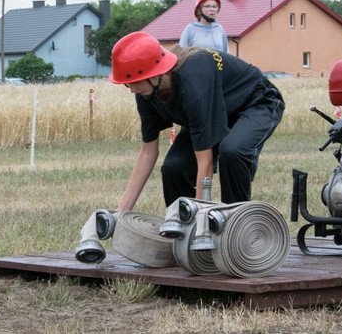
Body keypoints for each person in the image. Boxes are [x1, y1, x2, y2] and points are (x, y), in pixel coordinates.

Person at [110, 30, 284, 208]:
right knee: (174, 167)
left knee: (232, 151)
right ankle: (181, 224)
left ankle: (236, 222)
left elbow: (205, 161)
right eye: (127, 84)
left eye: (135, 82)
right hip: (215, 109)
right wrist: (121, 212)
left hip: (255, 102)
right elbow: (148, 152)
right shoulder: (146, 92)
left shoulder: (192, 80)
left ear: (155, 73)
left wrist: (201, 217)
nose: (132, 89)